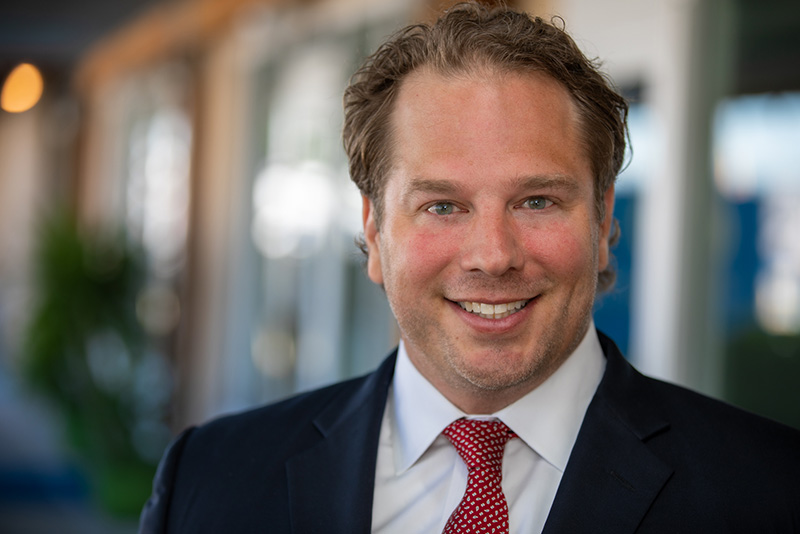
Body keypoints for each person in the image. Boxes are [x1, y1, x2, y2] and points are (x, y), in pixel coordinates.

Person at [138, 3, 800, 533]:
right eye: (443, 205)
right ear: (373, 228)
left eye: (537, 200)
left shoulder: (772, 492)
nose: (492, 255)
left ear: (601, 222)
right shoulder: (209, 481)